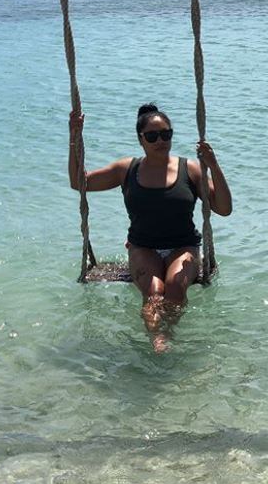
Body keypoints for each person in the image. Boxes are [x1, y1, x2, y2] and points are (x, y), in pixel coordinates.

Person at [68, 104, 232, 353]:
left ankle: (168, 332)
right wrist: (74, 138)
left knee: (175, 288)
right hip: (143, 247)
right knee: (155, 290)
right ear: (141, 139)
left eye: (166, 134)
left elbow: (224, 208)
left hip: (183, 246)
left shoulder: (190, 170)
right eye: (153, 136)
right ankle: (158, 338)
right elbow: (79, 183)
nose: (160, 141)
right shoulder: (127, 169)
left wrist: (213, 164)